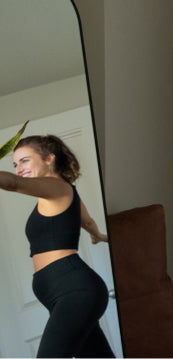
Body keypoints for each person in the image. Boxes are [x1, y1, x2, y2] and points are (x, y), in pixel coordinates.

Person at [0, 134, 114, 358]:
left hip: (74, 290)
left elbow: (12, 183)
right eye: (15, 164)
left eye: (25, 160)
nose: (18, 168)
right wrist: (97, 235)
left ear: (49, 158)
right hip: (63, 291)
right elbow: (87, 220)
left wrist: (96, 233)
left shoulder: (56, 187)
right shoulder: (63, 192)